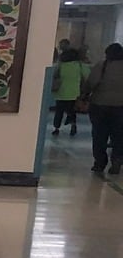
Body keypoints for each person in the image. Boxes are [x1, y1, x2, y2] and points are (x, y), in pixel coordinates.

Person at [87, 43, 123, 175]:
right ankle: (117, 159)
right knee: (119, 135)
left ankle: (100, 163)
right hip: (121, 108)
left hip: (100, 106)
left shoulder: (102, 66)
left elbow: (90, 83)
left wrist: (83, 95)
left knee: (99, 136)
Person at [52, 44, 90, 138]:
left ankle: (56, 128)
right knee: (71, 111)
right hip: (74, 93)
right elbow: (88, 75)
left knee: (59, 111)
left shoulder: (60, 65)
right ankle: (73, 125)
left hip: (60, 92)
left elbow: (53, 74)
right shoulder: (80, 65)